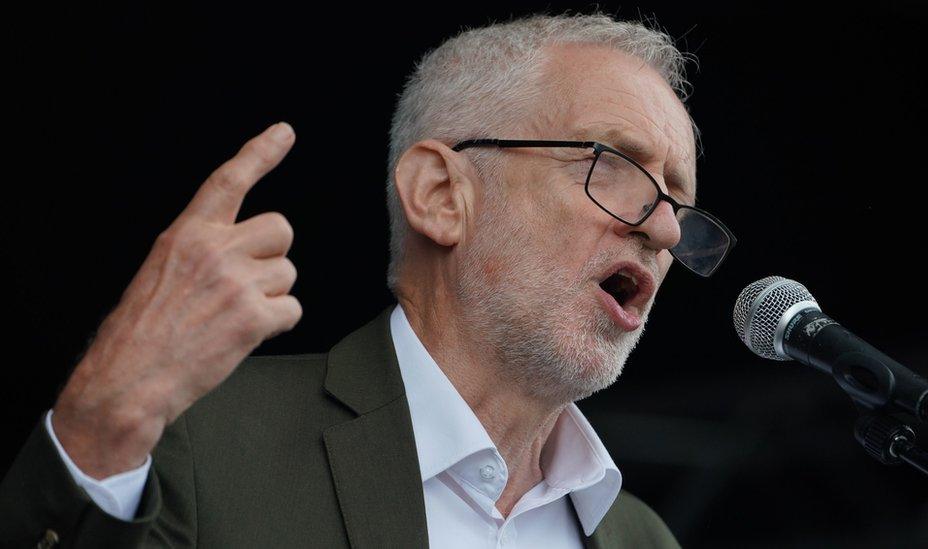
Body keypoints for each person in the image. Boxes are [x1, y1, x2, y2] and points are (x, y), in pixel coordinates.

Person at [0, 12, 735, 548]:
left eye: (679, 206)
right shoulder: (199, 445)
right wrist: (103, 419)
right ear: (441, 197)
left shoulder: (643, 536)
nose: (665, 231)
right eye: (616, 167)